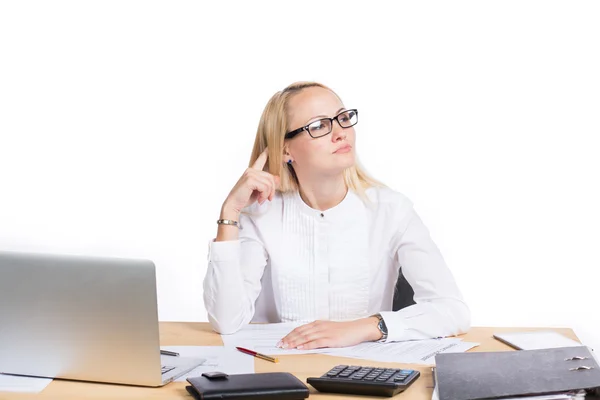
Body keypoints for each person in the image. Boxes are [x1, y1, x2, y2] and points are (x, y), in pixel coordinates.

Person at [203, 81, 470, 350]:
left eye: (343, 118)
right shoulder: (263, 214)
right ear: (286, 149)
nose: (341, 133)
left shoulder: (391, 210)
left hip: (362, 375)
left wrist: (366, 327)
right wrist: (230, 213)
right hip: (282, 370)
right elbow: (226, 321)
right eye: (319, 125)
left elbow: (452, 311)